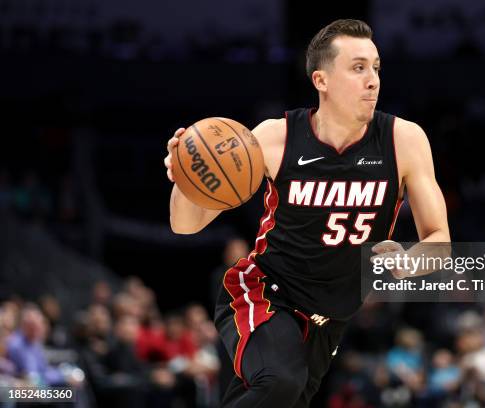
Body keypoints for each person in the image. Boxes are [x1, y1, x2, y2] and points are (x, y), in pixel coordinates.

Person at [163, 19, 450, 408]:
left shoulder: (406, 140)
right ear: (321, 80)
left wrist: (407, 261)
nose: (373, 80)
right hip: (264, 293)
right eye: (358, 67)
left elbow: (440, 244)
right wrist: (186, 178)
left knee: (282, 393)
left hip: (329, 319)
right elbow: (185, 225)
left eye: (376, 67)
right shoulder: (273, 137)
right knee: (280, 380)